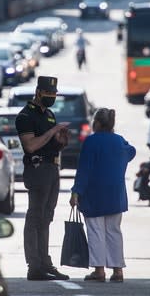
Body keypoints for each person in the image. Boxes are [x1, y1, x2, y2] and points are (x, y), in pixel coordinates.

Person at [70, 108, 136, 282]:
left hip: (94, 194)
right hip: (115, 194)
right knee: (114, 231)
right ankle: (118, 270)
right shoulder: (119, 141)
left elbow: (83, 170)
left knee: (96, 231)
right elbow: (132, 151)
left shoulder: (91, 142)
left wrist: (76, 192)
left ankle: (99, 270)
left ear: (97, 123)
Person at [15, 76, 70, 281]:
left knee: (46, 217)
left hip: (51, 168)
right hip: (37, 170)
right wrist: (53, 131)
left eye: (54, 95)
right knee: (35, 217)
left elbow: (50, 144)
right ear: (38, 92)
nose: (52, 98)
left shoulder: (48, 114)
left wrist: (61, 141)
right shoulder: (25, 116)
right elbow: (30, 146)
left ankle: (45, 263)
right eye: (48, 94)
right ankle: (34, 265)